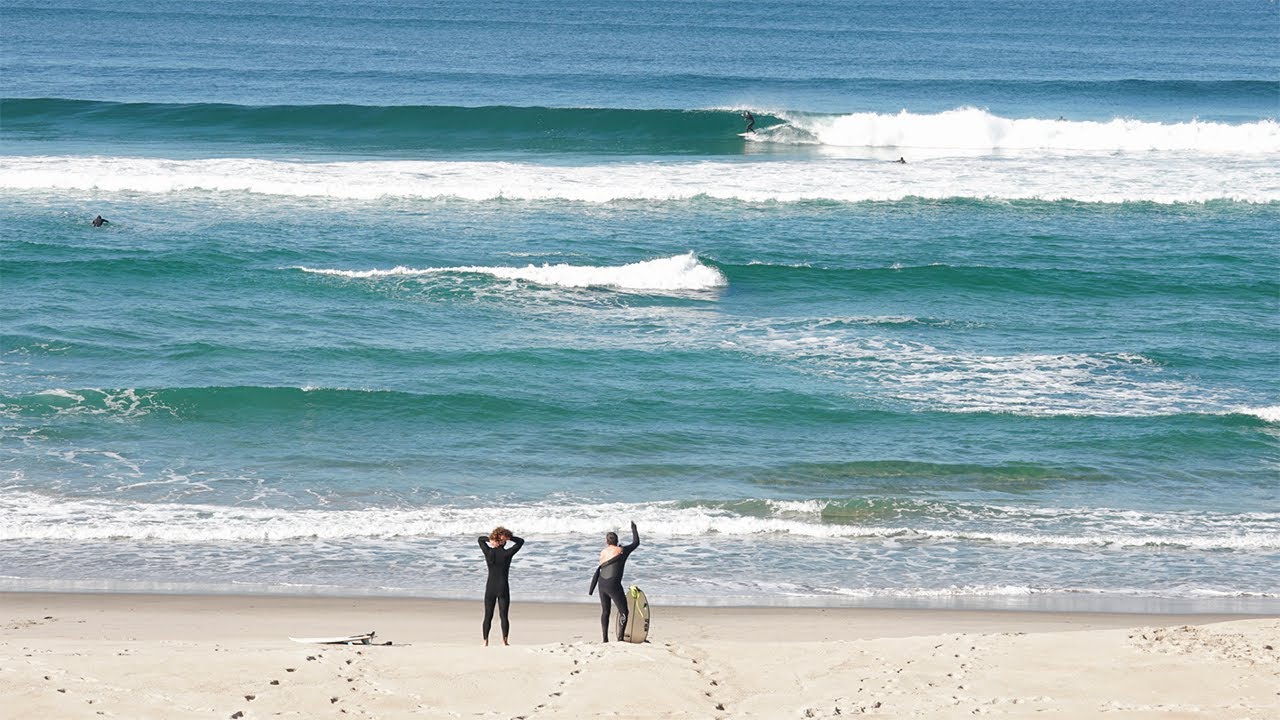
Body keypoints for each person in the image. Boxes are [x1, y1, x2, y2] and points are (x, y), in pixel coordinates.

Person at [588, 520, 639, 642]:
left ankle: (605, 639)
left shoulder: (603, 552)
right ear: (616, 541)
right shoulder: (622, 551)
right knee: (624, 611)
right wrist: (634, 528)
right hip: (613, 585)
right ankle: (620, 638)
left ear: (606, 542)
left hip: (601, 584)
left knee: (605, 611)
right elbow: (636, 542)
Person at [477, 526, 524, 646]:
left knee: (488, 615)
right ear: (504, 541)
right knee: (504, 615)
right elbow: (521, 541)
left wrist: (490, 539)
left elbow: (480, 539)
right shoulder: (507, 553)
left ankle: (485, 641)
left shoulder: (488, 552)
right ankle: (505, 641)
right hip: (503, 588)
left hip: (490, 588)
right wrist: (509, 537)